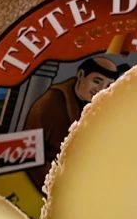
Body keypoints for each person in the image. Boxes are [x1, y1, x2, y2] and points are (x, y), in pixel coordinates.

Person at [22, 55, 121, 189]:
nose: (101, 89)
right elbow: (30, 154)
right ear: (81, 75)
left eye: (108, 86)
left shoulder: (103, 109)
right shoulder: (51, 102)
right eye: (97, 81)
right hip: (52, 184)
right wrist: (57, 188)